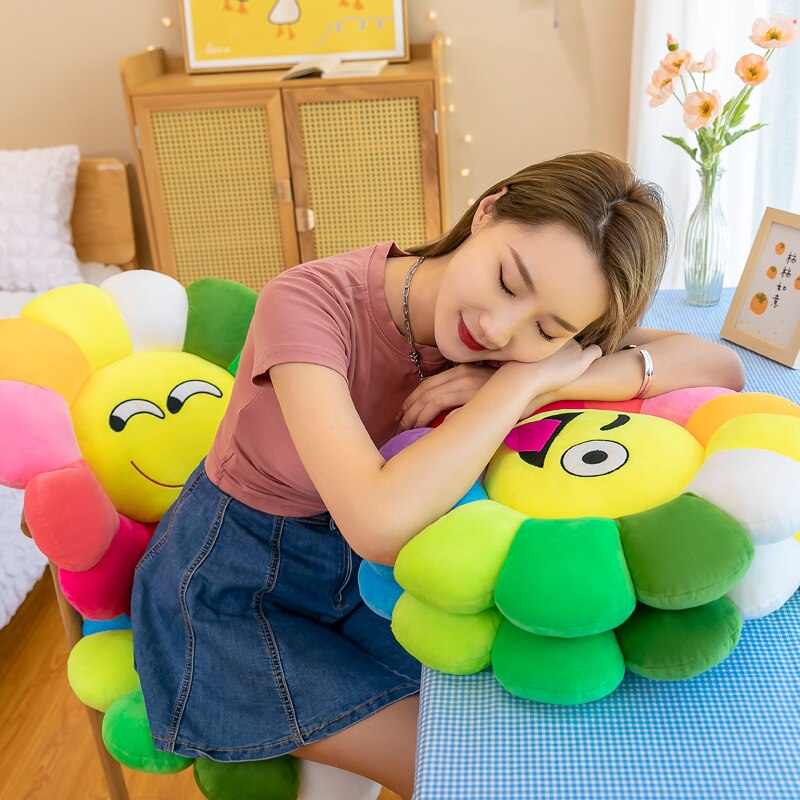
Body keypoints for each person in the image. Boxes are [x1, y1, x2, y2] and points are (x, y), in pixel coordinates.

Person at [131, 151, 745, 799]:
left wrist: (551, 378)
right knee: (469, 775)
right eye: (507, 281)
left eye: (547, 329)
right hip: (234, 583)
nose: (497, 329)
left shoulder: (537, 334)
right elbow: (378, 526)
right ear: (489, 211)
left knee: (542, 732)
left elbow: (717, 365)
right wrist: (515, 387)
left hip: (383, 583)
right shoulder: (308, 302)